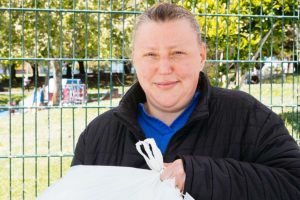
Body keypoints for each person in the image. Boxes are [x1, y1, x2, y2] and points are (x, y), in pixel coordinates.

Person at [71, 3, 300, 199]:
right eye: (150, 55)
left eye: (177, 53)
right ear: (134, 60)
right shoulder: (98, 137)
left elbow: (293, 183)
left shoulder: (248, 117)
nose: (164, 68)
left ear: (201, 56)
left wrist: (197, 176)